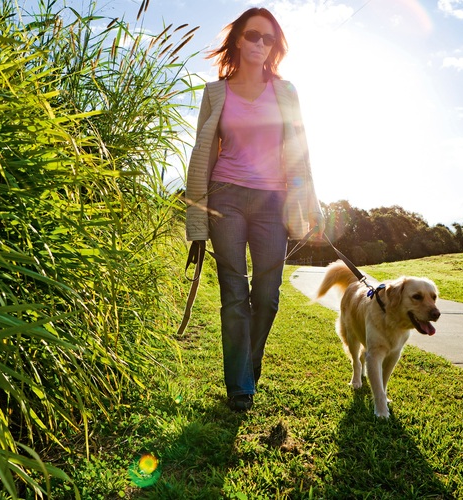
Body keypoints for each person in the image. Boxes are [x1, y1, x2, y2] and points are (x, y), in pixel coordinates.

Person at [184, 7, 323, 412]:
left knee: (267, 296)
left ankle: (250, 363)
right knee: (233, 292)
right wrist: (196, 223)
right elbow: (201, 155)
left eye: (268, 39)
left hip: (272, 202)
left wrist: (310, 203)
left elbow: (301, 151)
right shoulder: (215, 92)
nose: (260, 44)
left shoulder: (286, 91)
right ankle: (240, 387)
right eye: (253, 36)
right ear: (238, 41)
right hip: (225, 195)